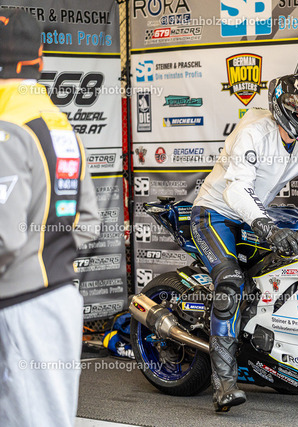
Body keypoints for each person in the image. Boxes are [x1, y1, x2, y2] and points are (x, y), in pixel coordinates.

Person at [191, 73, 298, 411]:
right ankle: (224, 383)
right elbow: (237, 188)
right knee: (231, 283)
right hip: (215, 214)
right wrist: (267, 227)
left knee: (294, 261)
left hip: (255, 213)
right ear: (284, 109)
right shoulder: (254, 133)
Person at [0, 9, 101, 427]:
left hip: (17, 308)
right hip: (57, 298)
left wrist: (29, 258)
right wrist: (46, 254)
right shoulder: (59, 124)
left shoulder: (7, 126)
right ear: (38, 60)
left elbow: (4, 238)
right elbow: (88, 221)